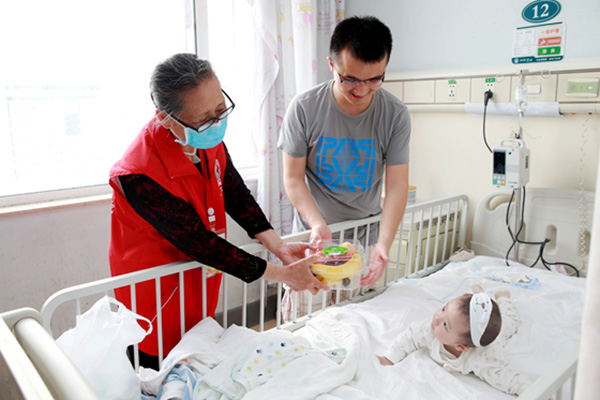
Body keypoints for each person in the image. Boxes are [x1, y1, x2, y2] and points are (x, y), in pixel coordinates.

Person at [109, 53, 328, 369]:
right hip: (155, 293)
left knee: (197, 361)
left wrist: (279, 246)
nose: (216, 122)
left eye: (220, 109)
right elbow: (199, 243)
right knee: (158, 371)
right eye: (204, 118)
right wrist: (282, 275)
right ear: (165, 118)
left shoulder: (204, 139)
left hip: (196, 281)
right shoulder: (137, 174)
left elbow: (235, 194)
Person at [277, 16, 411, 319]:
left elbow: (397, 186)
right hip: (314, 238)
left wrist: (383, 244)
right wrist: (317, 224)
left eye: (374, 79)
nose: (361, 90)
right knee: (304, 323)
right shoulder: (305, 108)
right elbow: (293, 178)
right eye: (350, 79)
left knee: (356, 323)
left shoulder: (395, 114)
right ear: (331, 65)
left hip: (364, 238)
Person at [377, 288, 533, 395]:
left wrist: (532, 391)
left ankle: (503, 298)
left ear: (461, 347)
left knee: (508, 321)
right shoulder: (429, 330)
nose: (437, 318)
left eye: (445, 325)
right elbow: (408, 338)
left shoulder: (482, 359)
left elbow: (510, 379)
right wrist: (389, 358)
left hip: (494, 339)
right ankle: (481, 296)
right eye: (444, 309)